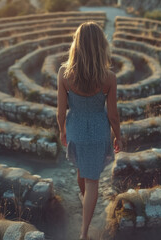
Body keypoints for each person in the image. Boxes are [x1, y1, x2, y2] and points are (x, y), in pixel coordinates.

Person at [56, 21, 122, 240]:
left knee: (81, 170)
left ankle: (86, 200)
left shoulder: (64, 73)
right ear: (101, 46)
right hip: (97, 132)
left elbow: (61, 111)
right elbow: (112, 115)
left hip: (75, 129)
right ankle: (84, 234)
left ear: (77, 44)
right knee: (92, 179)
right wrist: (118, 136)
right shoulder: (108, 77)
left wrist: (62, 131)